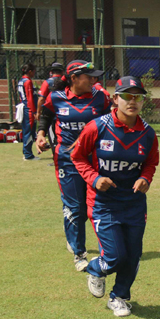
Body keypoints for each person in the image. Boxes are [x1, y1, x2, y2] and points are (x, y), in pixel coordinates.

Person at [72, 76, 159, 317]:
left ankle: (118, 297)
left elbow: (151, 163)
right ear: (115, 99)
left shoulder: (148, 133)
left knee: (132, 256)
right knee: (114, 257)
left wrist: (146, 178)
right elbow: (77, 157)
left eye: (138, 97)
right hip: (104, 203)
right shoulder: (97, 126)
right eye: (127, 96)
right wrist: (94, 178)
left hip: (133, 204)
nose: (132, 101)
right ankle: (95, 268)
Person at [36, 60, 111, 272]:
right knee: (75, 207)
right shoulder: (56, 97)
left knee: (97, 207)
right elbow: (46, 117)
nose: (93, 80)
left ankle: (107, 249)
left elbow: (109, 123)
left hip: (95, 160)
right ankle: (79, 253)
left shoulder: (101, 97)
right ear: (74, 79)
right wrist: (41, 135)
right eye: (89, 77)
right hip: (66, 160)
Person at [37, 62, 65, 165]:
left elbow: (41, 99)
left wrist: (39, 112)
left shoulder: (47, 82)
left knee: (53, 138)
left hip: (51, 115)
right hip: (64, 114)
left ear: (50, 72)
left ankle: (56, 159)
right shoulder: (65, 82)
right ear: (62, 72)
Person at [17, 63, 39, 160]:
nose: (34, 73)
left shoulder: (21, 80)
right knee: (29, 131)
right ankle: (28, 154)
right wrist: (34, 112)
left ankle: (26, 152)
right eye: (34, 71)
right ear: (30, 71)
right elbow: (29, 97)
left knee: (27, 130)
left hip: (25, 106)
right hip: (29, 109)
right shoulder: (28, 81)